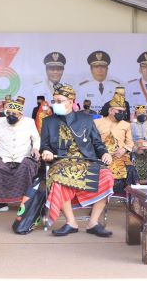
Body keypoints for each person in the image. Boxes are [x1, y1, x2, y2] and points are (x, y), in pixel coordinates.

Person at [40, 84, 114, 237]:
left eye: (59, 101)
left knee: (106, 176)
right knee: (58, 178)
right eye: (54, 101)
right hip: (61, 162)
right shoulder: (48, 121)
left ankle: (93, 223)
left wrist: (105, 153)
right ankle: (71, 223)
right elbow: (44, 145)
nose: (55, 104)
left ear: (70, 101)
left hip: (87, 161)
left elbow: (97, 143)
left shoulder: (86, 119)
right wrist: (46, 151)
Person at [0, 97, 40, 211]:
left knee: (27, 166)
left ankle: (27, 202)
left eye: (14, 114)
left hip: (23, 156)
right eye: (8, 113)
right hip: (4, 156)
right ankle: (1, 204)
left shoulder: (29, 122)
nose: (10, 116)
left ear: (21, 114)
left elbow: (36, 138)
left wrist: (35, 148)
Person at [95, 88, 136, 195]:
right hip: (101, 156)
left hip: (120, 156)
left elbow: (130, 143)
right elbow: (92, 141)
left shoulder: (126, 125)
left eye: (123, 111)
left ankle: (126, 199)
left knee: (130, 170)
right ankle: (100, 199)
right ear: (110, 110)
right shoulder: (97, 122)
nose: (122, 113)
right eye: (119, 111)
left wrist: (124, 149)